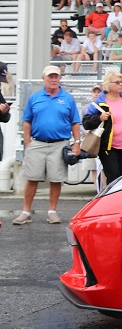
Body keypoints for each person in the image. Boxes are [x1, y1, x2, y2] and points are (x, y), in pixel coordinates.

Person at [12, 66, 82, 225]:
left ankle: (52, 211)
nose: (54, 79)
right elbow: (27, 121)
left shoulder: (68, 98)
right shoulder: (35, 97)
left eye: (56, 76)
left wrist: (77, 143)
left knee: (56, 179)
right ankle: (25, 211)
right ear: (44, 78)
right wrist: (28, 142)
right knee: (32, 178)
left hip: (60, 144)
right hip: (37, 143)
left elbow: (75, 123)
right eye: (50, 76)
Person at [81, 71, 122, 185]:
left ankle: (121, 201)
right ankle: (112, 201)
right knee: (113, 176)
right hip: (107, 147)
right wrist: (99, 118)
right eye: (117, 82)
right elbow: (86, 123)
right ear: (108, 85)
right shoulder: (99, 103)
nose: (121, 84)